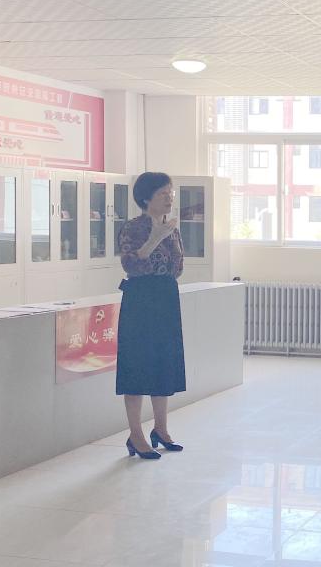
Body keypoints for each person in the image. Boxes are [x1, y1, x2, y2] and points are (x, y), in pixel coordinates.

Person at [117, 172, 186, 461]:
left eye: (171, 193)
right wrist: (154, 239)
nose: (169, 198)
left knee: (163, 364)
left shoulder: (172, 228)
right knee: (137, 365)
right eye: (162, 194)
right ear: (146, 198)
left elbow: (178, 267)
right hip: (140, 300)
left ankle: (161, 429)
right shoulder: (133, 228)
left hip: (166, 297)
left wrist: (164, 235)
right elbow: (130, 265)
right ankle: (136, 434)